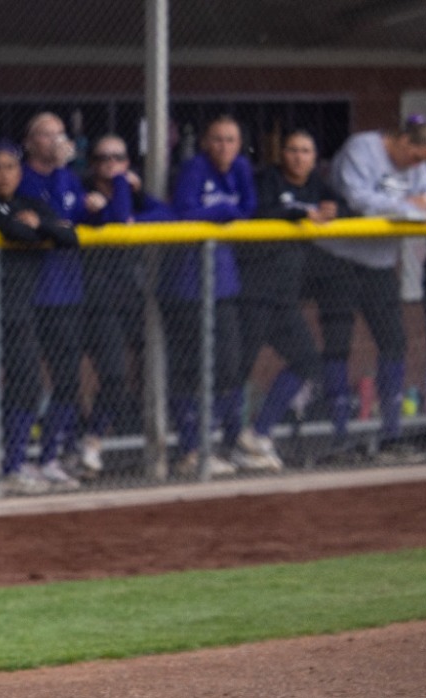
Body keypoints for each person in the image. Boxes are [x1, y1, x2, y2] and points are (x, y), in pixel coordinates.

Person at [314, 117, 426, 461]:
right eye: (416, 156)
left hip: (380, 263)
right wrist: (407, 205)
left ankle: (391, 433)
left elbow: (425, 197)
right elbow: (358, 199)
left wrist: (410, 203)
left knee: (393, 342)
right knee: (338, 344)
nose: (418, 165)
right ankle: (338, 438)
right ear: (404, 142)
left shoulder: (418, 166)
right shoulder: (362, 148)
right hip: (340, 259)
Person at [0, 140, 80, 494]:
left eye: (11, 167)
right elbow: (17, 231)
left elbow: (68, 235)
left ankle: (13, 463)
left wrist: (39, 223)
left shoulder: (28, 203)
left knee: (28, 383)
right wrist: (36, 227)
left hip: (19, 309)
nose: (4, 175)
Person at [232, 130, 341, 471]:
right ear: (283, 154)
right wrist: (301, 215)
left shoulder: (316, 184)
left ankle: (258, 433)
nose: (298, 156)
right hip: (253, 291)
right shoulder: (267, 178)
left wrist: (333, 209)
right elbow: (261, 211)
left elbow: (341, 204)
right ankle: (219, 445)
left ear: (314, 157)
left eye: (305, 151)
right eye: (292, 150)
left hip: (285, 297)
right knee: (237, 369)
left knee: (307, 360)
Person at [163, 116, 256, 477]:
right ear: (205, 142)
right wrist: (222, 212)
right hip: (186, 283)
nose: (224, 147)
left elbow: (248, 208)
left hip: (224, 282)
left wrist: (223, 213)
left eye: (231, 140)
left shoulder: (241, 168)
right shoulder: (193, 168)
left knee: (230, 364)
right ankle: (191, 449)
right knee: (189, 370)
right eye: (217, 139)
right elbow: (185, 212)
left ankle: (225, 441)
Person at [77, 134, 171, 478]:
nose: (110, 164)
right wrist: (121, 186)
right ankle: (89, 443)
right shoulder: (89, 196)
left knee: (153, 367)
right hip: (95, 301)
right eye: (103, 158)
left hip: (131, 298)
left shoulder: (131, 197)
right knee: (112, 375)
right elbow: (115, 219)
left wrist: (140, 197)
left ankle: (143, 441)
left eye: (118, 158)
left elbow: (168, 214)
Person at [17, 113, 92, 490]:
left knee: (66, 378)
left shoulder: (68, 177)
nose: (54, 141)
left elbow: (72, 217)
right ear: (29, 142)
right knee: (25, 380)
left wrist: (68, 175)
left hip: (67, 291)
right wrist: (61, 170)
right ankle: (16, 458)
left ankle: (49, 456)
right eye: (45, 135)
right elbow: (56, 219)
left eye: (59, 135)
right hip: (31, 294)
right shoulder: (23, 178)